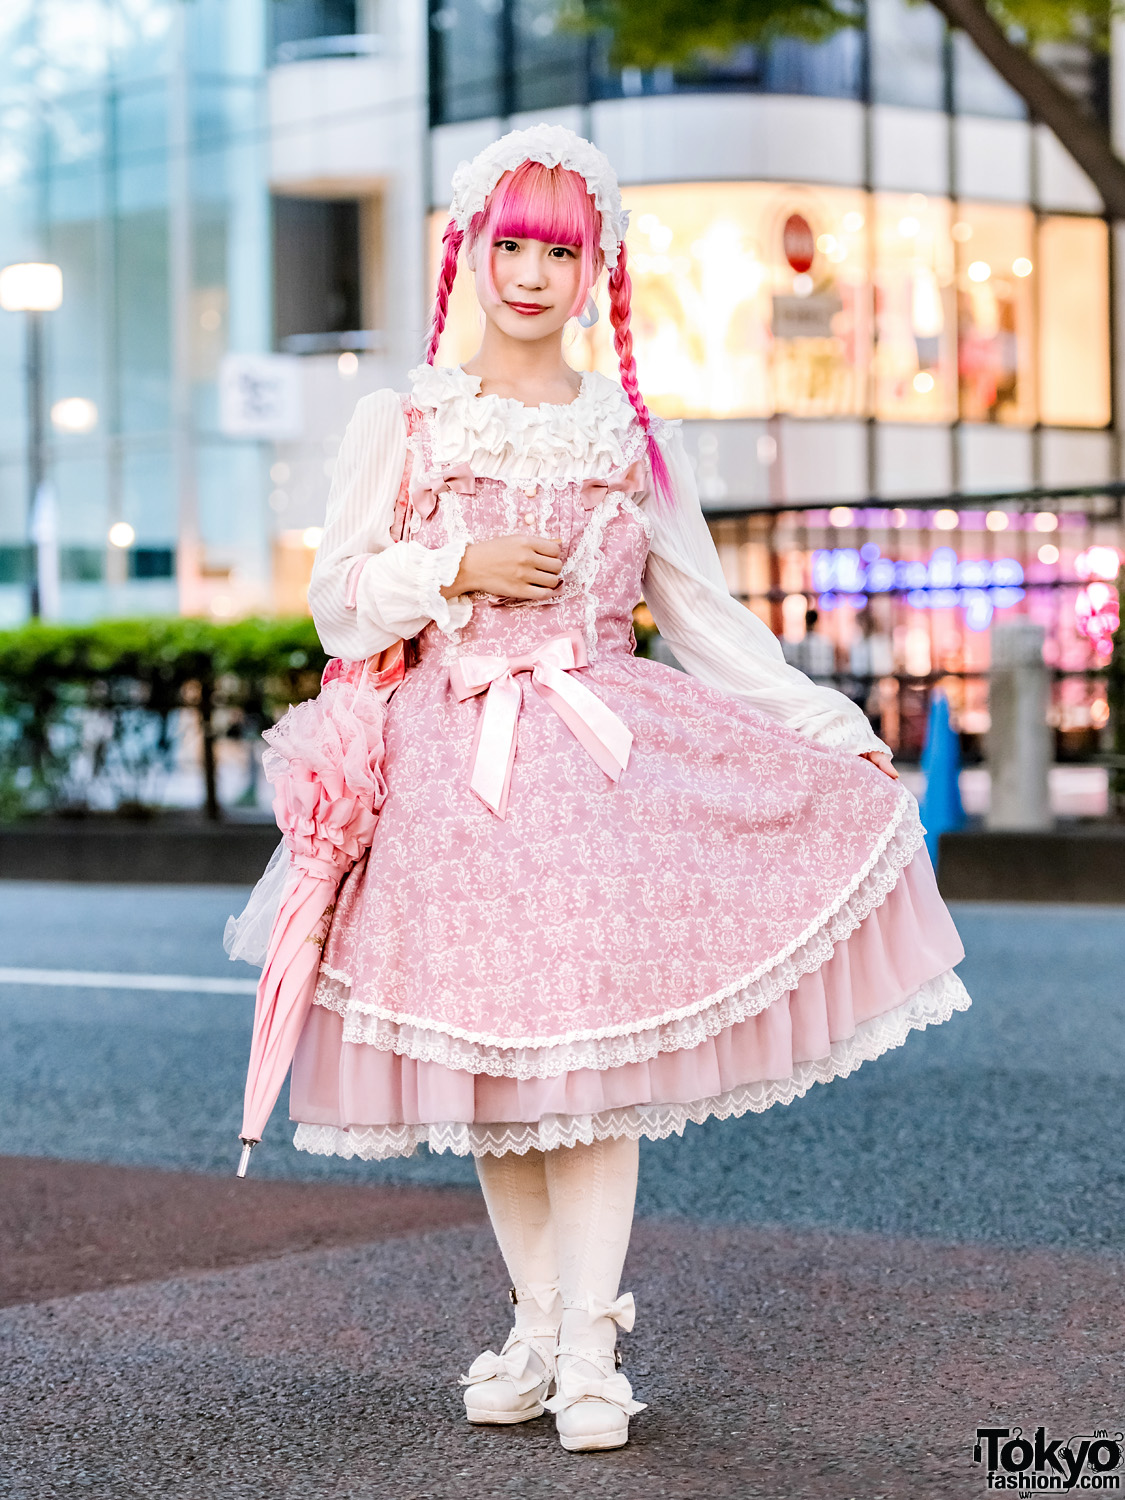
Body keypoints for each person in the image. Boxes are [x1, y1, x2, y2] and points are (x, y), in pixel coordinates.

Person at [291, 125, 972, 1454]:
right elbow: (332, 597)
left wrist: (828, 726)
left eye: (559, 248)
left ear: (592, 264)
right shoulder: (406, 421)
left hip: (600, 770)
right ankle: (537, 1327)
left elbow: (707, 622)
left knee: (587, 1072)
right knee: (496, 1066)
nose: (530, 273)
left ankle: (589, 1345)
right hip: (455, 779)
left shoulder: (631, 437)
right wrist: (454, 571)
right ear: (467, 251)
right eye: (510, 244)